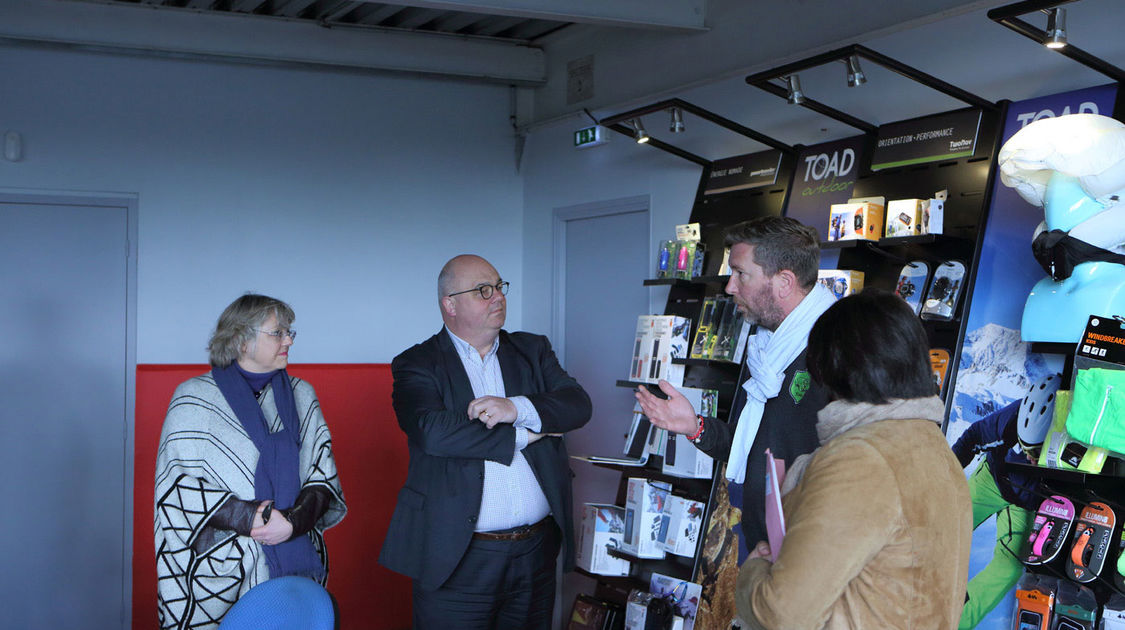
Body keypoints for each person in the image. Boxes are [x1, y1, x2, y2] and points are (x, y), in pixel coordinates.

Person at [735, 290, 972, 629]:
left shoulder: (860, 459)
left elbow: (782, 613)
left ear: (836, 368)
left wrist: (754, 571)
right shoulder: (936, 450)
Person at [379, 254, 592, 630]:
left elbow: (578, 406)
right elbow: (434, 432)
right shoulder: (417, 363)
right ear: (450, 304)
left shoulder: (532, 349)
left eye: (499, 287)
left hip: (535, 552)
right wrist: (527, 433)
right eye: (482, 290)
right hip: (458, 556)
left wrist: (515, 407)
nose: (498, 297)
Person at [636, 216, 835, 555]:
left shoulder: (837, 349)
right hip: (759, 546)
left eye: (741, 274)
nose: (729, 287)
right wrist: (694, 426)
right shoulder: (765, 347)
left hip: (809, 556)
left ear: (784, 282)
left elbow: (856, 474)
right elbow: (752, 447)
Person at [155, 294, 347, 629]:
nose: (288, 339)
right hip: (216, 571)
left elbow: (323, 474)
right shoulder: (194, 398)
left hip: (294, 555)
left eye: (290, 333)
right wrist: (249, 517)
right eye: (277, 333)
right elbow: (177, 487)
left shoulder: (303, 393)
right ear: (241, 339)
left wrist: (292, 522)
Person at [950, 373, 1061, 629]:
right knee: (943, 532)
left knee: (1008, 569)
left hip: (1027, 505)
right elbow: (973, 436)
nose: (1031, 458)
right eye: (1027, 450)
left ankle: (954, 622)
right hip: (992, 480)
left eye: (1038, 452)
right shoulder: (1011, 420)